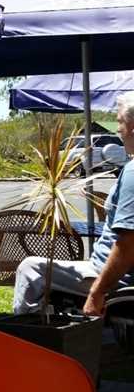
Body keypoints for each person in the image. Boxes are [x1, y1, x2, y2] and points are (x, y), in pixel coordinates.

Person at [13, 91, 134, 315]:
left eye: (120, 122)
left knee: (31, 269)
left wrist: (96, 293)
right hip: (112, 271)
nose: (117, 129)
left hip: (115, 278)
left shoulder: (133, 172)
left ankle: (30, 342)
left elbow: (128, 244)